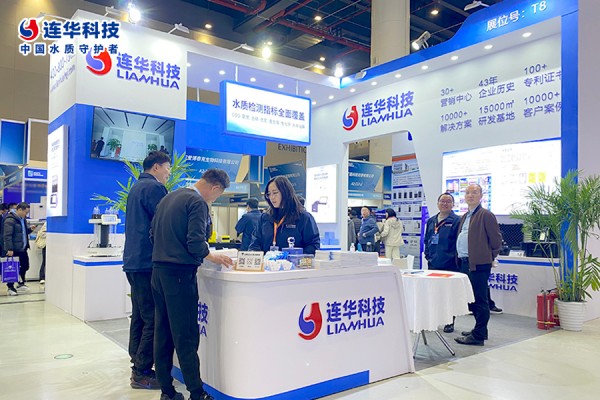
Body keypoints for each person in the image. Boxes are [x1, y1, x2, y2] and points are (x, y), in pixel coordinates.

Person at [151, 168, 233, 400]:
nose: (214, 198)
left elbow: (152, 234)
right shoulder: (197, 203)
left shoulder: (169, 198)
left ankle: (167, 391)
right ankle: (197, 394)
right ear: (215, 188)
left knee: (162, 332)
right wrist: (213, 257)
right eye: (217, 195)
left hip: (158, 272)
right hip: (179, 275)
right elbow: (196, 243)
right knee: (186, 335)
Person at [123, 151, 171, 390]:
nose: (168, 173)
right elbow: (164, 222)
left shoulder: (136, 188)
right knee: (153, 317)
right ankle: (141, 372)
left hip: (133, 261)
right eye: (167, 168)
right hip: (147, 261)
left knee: (140, 315)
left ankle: (137, 362)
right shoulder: (154, 188)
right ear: (156, 167)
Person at [454, 184, 502, 346]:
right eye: (467, 192)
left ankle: (478, 336)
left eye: (474, 192)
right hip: (465, 262)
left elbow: (496, 240)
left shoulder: (485, 215)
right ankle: (480, 329)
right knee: (470, 299)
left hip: (478, 264)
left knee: (480, 300)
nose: (470, 195)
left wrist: (489, 257)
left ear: (481, 196)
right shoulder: (465, 216)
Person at [249, 176, 320, 254]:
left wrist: (296, 258)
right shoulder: (264, 218)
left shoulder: (303, 218)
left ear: (285, 192)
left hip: (294, 261)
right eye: (269, 194)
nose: (271, 197)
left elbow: (313, 245)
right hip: (267, 261)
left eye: (275, 193)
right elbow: (255, 244)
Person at [424, 193, 461, 332]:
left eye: (448, 201)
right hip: (433, 263)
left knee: (449, 294)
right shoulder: (431, 220)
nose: (445, 204)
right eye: (442, 201)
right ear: (437, 203)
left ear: (453, 204)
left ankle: (449, 321)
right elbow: (427, 239)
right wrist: (428, 255)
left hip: (450, 264)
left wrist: (453, 258)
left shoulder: (457, 221)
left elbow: (458, 242)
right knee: (434, 293)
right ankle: (435, 319)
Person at [4, 202, 32, 296]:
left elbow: (22, 232)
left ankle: (20, 282)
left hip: (23, 248)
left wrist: (30, 230)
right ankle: (10, 287)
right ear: (19, 210)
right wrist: (9, 248)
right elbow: (7, 235)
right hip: (14, 249)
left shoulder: (22, 219)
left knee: (25, 266)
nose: (26, 214)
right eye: (25, 212)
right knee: (12, 268)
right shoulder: (10, 219)